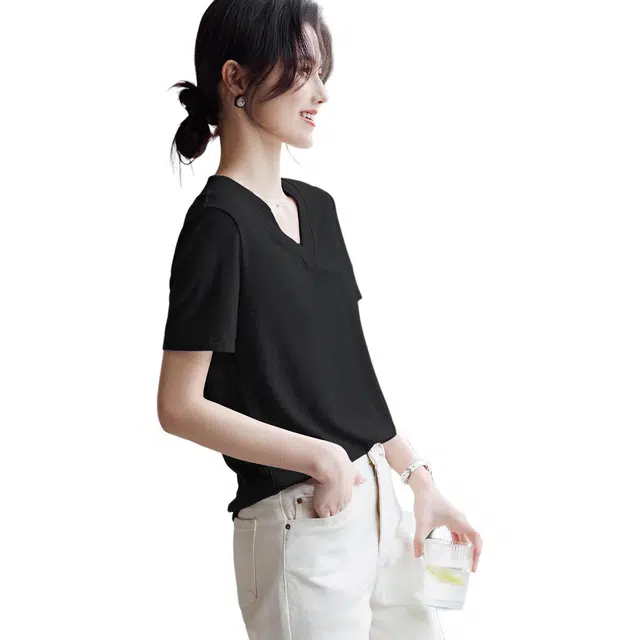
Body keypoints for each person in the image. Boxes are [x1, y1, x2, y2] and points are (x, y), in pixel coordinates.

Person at [157, 1, 483, 638]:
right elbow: (178, 405)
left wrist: (419, 479)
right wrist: (323, 460)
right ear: (235, 78)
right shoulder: (218, 225)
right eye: (302, 71)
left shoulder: (320, 209)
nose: (321, 93)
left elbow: (346, 376)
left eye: (320, 73)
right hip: (302, 516)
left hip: (378, 505)